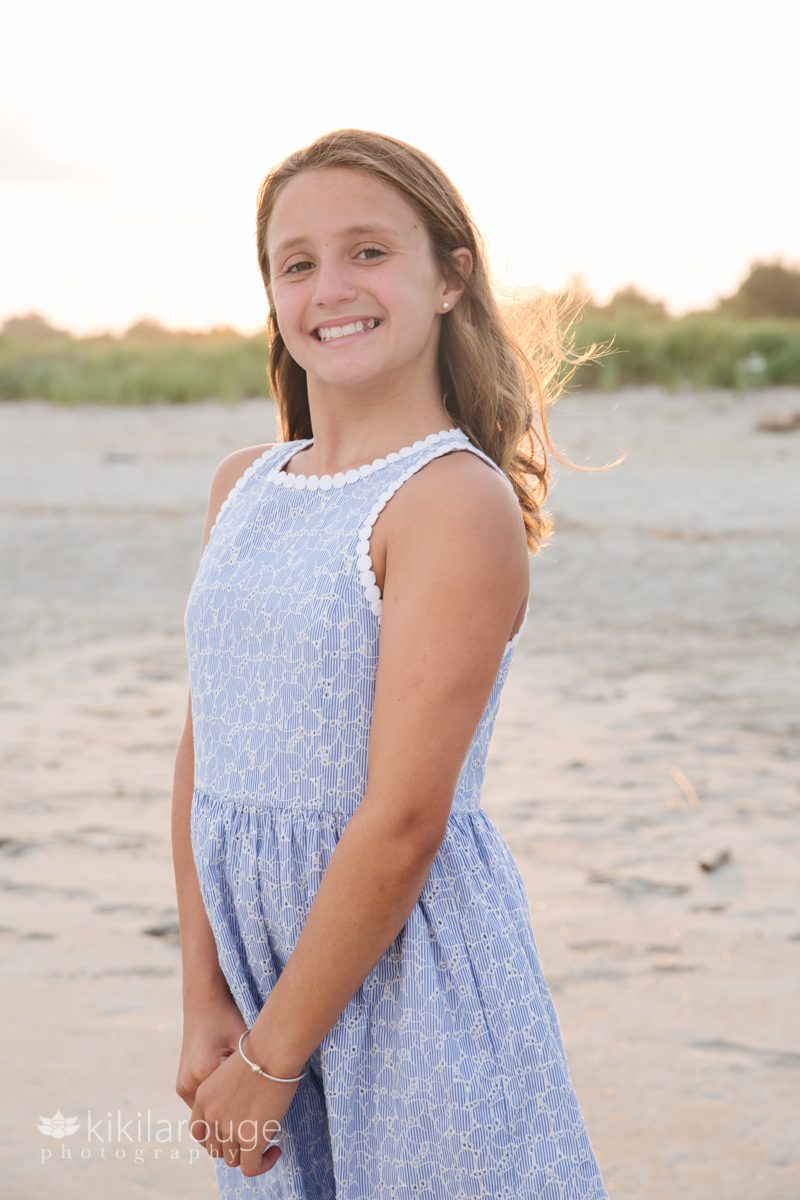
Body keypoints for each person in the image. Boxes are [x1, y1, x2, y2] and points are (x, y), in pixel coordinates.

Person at [172, 128, 610, 1198]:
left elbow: (404, 819)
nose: (331, 287)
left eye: (369, 251)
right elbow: (203, 758)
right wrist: (208, 999)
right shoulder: (245, 485)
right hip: (262, 986)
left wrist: (276, 1059)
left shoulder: (450, 503)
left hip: (406, 983)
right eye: (297, 262)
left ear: (448, 276)